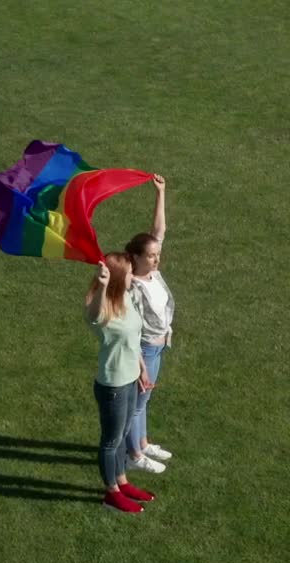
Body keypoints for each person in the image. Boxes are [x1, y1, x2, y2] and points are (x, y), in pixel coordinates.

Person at [85, 252, 156, 513]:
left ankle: (122, 481)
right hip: (113, 385)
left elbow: (134, 337)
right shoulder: (101, 305)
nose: (132, 277)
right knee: (111, 441)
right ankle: (111, 494)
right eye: (128, 273)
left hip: (130, 379)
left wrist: (142, 368)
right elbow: (94, 317)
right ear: (116, 278)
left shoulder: (125, 297)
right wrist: (102, 285)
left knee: (123, 433)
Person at [124, 174, 175, 472]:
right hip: (145, 349)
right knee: (138, 402)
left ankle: (142, 444)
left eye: (157, 255)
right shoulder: (132, 283)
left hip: (159, 344)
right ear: (137, 258)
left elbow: (159, 230)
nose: (157, 260)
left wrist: (160, 193)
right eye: (152, 256)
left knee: (145, 399)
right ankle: (134, 455)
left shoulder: (151, 273)